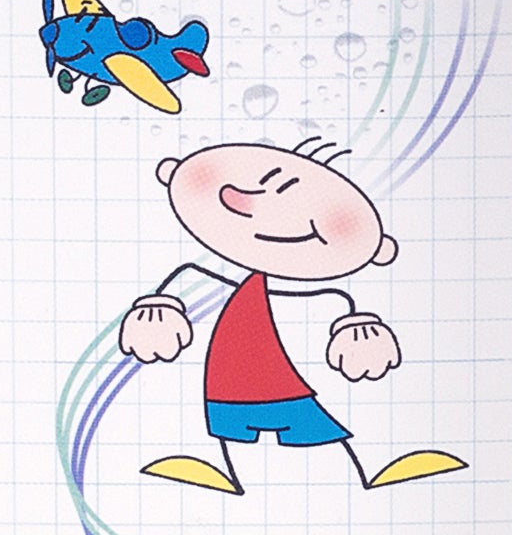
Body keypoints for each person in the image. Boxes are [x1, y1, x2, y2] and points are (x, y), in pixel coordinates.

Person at [117, 137, 467, 494]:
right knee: (243, 456)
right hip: (227, 391)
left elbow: (329, 305)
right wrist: (159, 310)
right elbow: (185, 284)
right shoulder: (212, 280)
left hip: (287, 389)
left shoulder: (315, 296)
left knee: (319, 448)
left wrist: (358, 331)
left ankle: (344, 492)